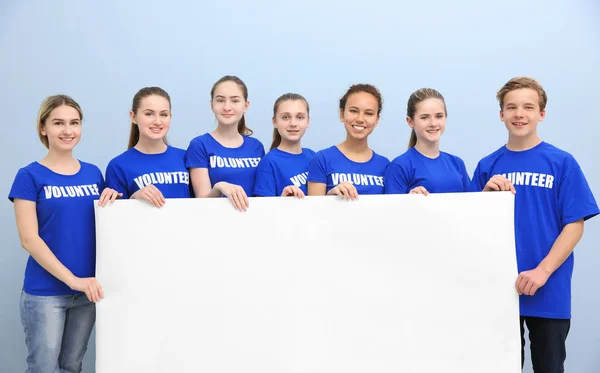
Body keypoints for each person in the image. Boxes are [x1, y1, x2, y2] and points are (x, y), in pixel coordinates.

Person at [470, 76, 599, 373]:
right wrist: (484, 197)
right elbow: (472, 227)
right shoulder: (487, 166)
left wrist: (542, 271)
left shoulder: (562, 163)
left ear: (541, 113)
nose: (519, 114)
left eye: (528, 107)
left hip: (548, 288)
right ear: (501, 114)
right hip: (498, 290)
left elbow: (575, 225)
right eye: (511, 107)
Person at [8, 94, 120, 373]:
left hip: (87, 293)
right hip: (45, 294)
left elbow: (106, 224)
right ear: (43, 128)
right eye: (58, 123)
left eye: (74, 123)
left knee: (72, 366)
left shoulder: (94, 174)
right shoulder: (29, 175)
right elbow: (29, 239)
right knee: (43, 368)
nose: (68, 130)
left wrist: (120, 198)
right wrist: (73, 280)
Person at [185, 75, 265, 211]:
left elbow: (262, 197)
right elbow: (201, 203)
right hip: (215, 224)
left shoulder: (256, 147)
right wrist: (219, 187)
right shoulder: (199, 145)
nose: (227, 107)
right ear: (212, 105)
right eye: (220, 100)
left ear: (246, 105)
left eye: (235, 101)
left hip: (252, 223)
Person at [105, 87, 190, 207]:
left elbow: (202, 204)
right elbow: (116, 218)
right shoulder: (118, 166)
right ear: (133, 117)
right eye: (149, 114)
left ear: (170, 117)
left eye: (164, 114)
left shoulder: (186, 157)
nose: (157, 121)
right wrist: (133, 198)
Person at [307, 83, 389, 199]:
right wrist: (331, 196)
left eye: (369, 113)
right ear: (342, 114)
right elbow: (313, 210)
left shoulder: (385, 165)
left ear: (377, 120)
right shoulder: (322, 159)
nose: (360, 119)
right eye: (354, 111)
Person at [384, 88, 470, 195]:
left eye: (439, 116)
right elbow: (391, 209)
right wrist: (407, 201)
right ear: (410, 121)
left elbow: (471, 205)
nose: (433, 123)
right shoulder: (400, 166)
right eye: (424, 117)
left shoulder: (457, 164)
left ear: (445, 117)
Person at [254, 93, 315, 198]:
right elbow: (263, 210)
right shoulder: (269, 162)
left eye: (300, 117)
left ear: (308, 121)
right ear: (274, 121)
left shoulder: (314, 157)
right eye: (285, 117)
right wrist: (283, 200)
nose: (293, 123)